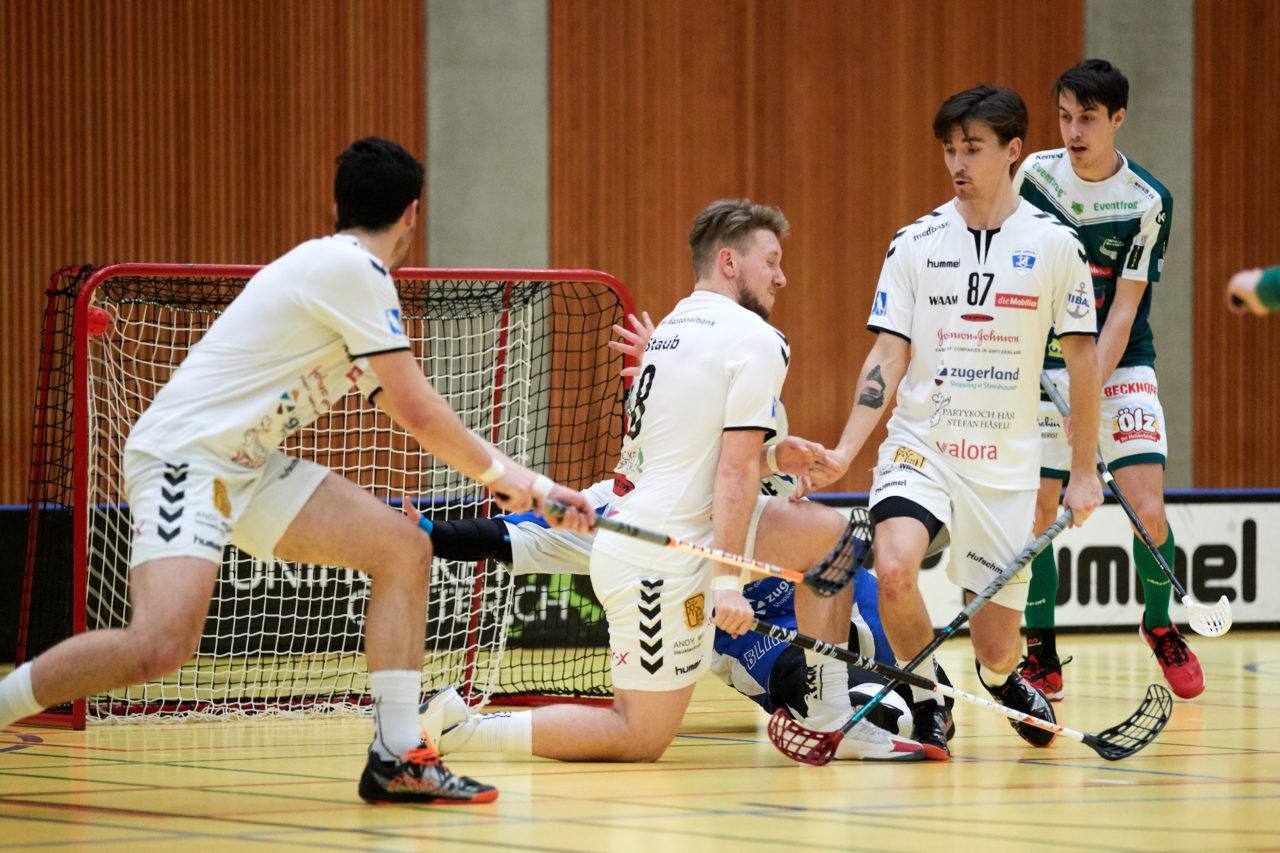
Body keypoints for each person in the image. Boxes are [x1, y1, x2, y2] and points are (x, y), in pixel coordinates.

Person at [0, 137, 594, 805]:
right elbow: (421, 412)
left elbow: (407, 406)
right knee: (159, 644)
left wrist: (536, 490)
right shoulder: (349, 270)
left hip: (247, 466)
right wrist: (521, 485)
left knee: (404, 547)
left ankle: (398, 756)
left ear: (337, 205)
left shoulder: (348, 283)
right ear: (412, 214)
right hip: (186, 458)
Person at [418, 199, 925, 764]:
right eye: (771, 261)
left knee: (829, 537)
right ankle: (461, 729)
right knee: (637, 736)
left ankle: (831, 721)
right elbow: (730, 472)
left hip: (677, 529)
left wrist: (776, 457)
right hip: (658, 557)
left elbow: (697, 457)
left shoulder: (673, 330)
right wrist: (728, 583)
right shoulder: (755, 337)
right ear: (729, 262)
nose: (781, 277)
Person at [814, 84, 1103, 760]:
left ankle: (1001, 681)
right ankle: (928, 697)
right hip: (922, 446)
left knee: (997, 647)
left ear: (1013, 150)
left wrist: (1084, 469)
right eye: (950, 150)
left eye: (972, 148)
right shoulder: (914, 242)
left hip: (1004, 467)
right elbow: (887, 354)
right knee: (894, 569)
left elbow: (1083, 362)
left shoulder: (1057, 245)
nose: (957, 163)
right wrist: (846, 449)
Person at [409, 481, 940, 758]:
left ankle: (911, 706)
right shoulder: (613, 506)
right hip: (744, 635)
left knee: (911, 692)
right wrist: (430, 532)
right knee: (859, 702)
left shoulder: (739, 450)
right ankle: (845, 715)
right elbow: (507, 534)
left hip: (830, 600)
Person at [1013, 59, 1205, 701]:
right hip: (1042, 360)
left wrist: (1087, 392)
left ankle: (1160, 623)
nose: (1073, 131)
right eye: (1065, 116)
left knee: (1147, 509)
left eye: (1088, 118)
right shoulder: (1034, 176)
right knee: (1041, 510)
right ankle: (1041, 649)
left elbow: (1123, 312)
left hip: (1119, 360)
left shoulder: (1149, 201)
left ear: (1117, 118)